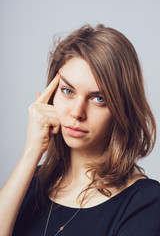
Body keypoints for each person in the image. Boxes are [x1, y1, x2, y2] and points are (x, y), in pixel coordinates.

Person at [0, 24, 160, 236]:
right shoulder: (31, 181)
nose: (77, 112)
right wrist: (31, 150)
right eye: (67, 91)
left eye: (98, 99)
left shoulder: (145, 202)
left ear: (122, 108)